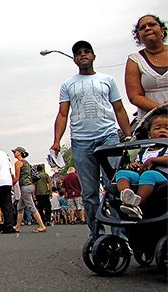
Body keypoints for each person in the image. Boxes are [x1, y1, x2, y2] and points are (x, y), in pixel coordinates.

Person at [51, 40, 132, 234]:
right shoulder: (68, 84)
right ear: (75, 59)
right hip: (81, 141)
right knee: (89, 192)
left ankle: (119, 235)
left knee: (113, 186)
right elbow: (63, 114)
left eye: (87, 52)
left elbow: (119, 108)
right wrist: (56, 141)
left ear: (94, 56)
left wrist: (128, 136)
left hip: (108, 137)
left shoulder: (108, 80)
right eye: (79, 53)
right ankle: (98, 235)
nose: (83, 55)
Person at [115, 109, 168, 219]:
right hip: (142, 176)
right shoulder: (144, 150)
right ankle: (126, 195)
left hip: (162, 177)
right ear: (149, 135)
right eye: (157, 128)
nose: (162, 130)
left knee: (149, 175)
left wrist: (153, 160)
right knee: (122, 173)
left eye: (167, 128)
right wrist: (135, 165)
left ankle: (136, 203)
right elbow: (140, 163)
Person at [125, 15, 167, 121]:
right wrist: (163, 110)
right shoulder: (135, 60)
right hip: (152, 122)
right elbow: (135, 97)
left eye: (152, 24)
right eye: (142, 28)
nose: (147, 28)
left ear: (162, 31)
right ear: (139, 37)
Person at [12, 147, 47, 233]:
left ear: (19, 153)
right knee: (20, 207)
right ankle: (17, 226)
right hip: (30, 185)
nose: (14, 153)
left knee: (31, 206)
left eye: (15, 152)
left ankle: (41, 225)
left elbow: (17, 177)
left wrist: (11, 184)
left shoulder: (18, 163)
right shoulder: (26, 163)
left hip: (25, 186)